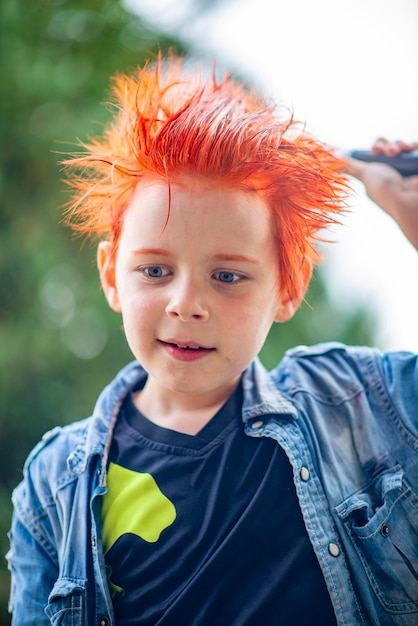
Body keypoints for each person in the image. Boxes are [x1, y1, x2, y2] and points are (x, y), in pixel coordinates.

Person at [6, 53, 418, 626]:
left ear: (288, 288)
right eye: (154, 271)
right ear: (110, 275)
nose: (186, 304)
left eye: (227, 276)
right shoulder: (54, 485)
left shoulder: (360, 404)